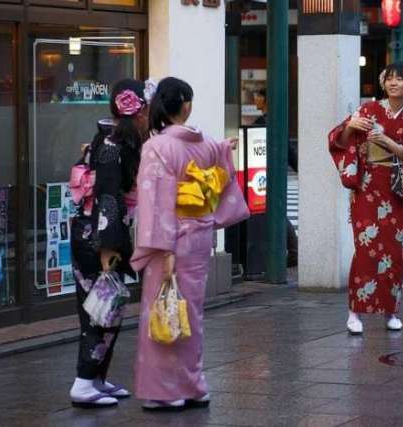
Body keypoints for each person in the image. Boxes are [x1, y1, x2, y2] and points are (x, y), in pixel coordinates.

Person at [130, 77, 249, 410]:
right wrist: (225, 149)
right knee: (191, 311)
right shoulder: (205, 143)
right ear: (187, 106)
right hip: (199, 235)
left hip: (170, 240)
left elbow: (156, 204)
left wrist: (163, 250)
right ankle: (194, 385)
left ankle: (167, 391)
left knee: (165, 308)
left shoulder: (158, 147)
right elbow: (220, 164)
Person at [328, 62, 403, 335]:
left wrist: (387, 141)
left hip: (396, 191)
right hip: (367, 188)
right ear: (384, 83)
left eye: (400, 79)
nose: (394, 84)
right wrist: (350, 126)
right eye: (390, 79)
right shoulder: (369, 110)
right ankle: (354, 311)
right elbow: (340, 141)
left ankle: (391, 310)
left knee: (394, 252)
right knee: (365, 251)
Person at [69, 79, 149, 408]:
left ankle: (97, 378)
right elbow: (108, 199)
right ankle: (84, 382)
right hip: (99, 239)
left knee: (108, 310)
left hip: (96, 234)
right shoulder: (114, 145)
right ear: (139, 110)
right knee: (100, 312)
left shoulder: (112, 139)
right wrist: (108, 249)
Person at [251, 88, 298, 266]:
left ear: (265, 99)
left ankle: (292, 252)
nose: (255, 99)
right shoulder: (274, 120)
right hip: (270, 173)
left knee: (275, 211)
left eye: (258, 96)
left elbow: (286, 148)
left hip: (264, 173)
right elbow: (289, 150)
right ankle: (292, 252)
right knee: (276, 210)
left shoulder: (263, 122)